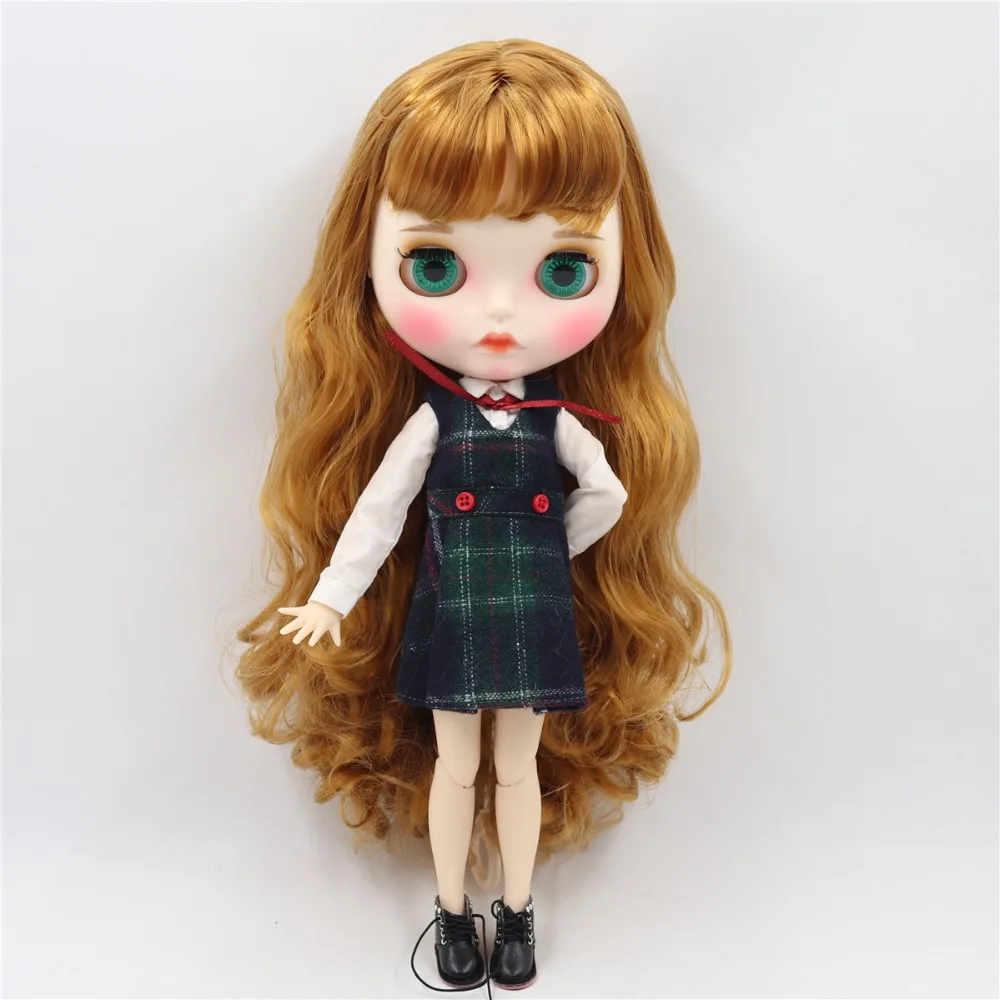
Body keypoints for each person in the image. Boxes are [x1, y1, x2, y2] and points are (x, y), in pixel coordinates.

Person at [236, 38, 732, 992]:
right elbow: (381, 511)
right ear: (366, 260)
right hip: (459, 608)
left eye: (562, 271)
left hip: (531, 607)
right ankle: (453, 913)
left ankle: (517, 910)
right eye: (435, 265)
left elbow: (610, 494)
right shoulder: (435, 420)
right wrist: (333, 596)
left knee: (517, 767)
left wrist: (552, 553)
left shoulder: (555, 420)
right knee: (458, 764)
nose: (499, 317)